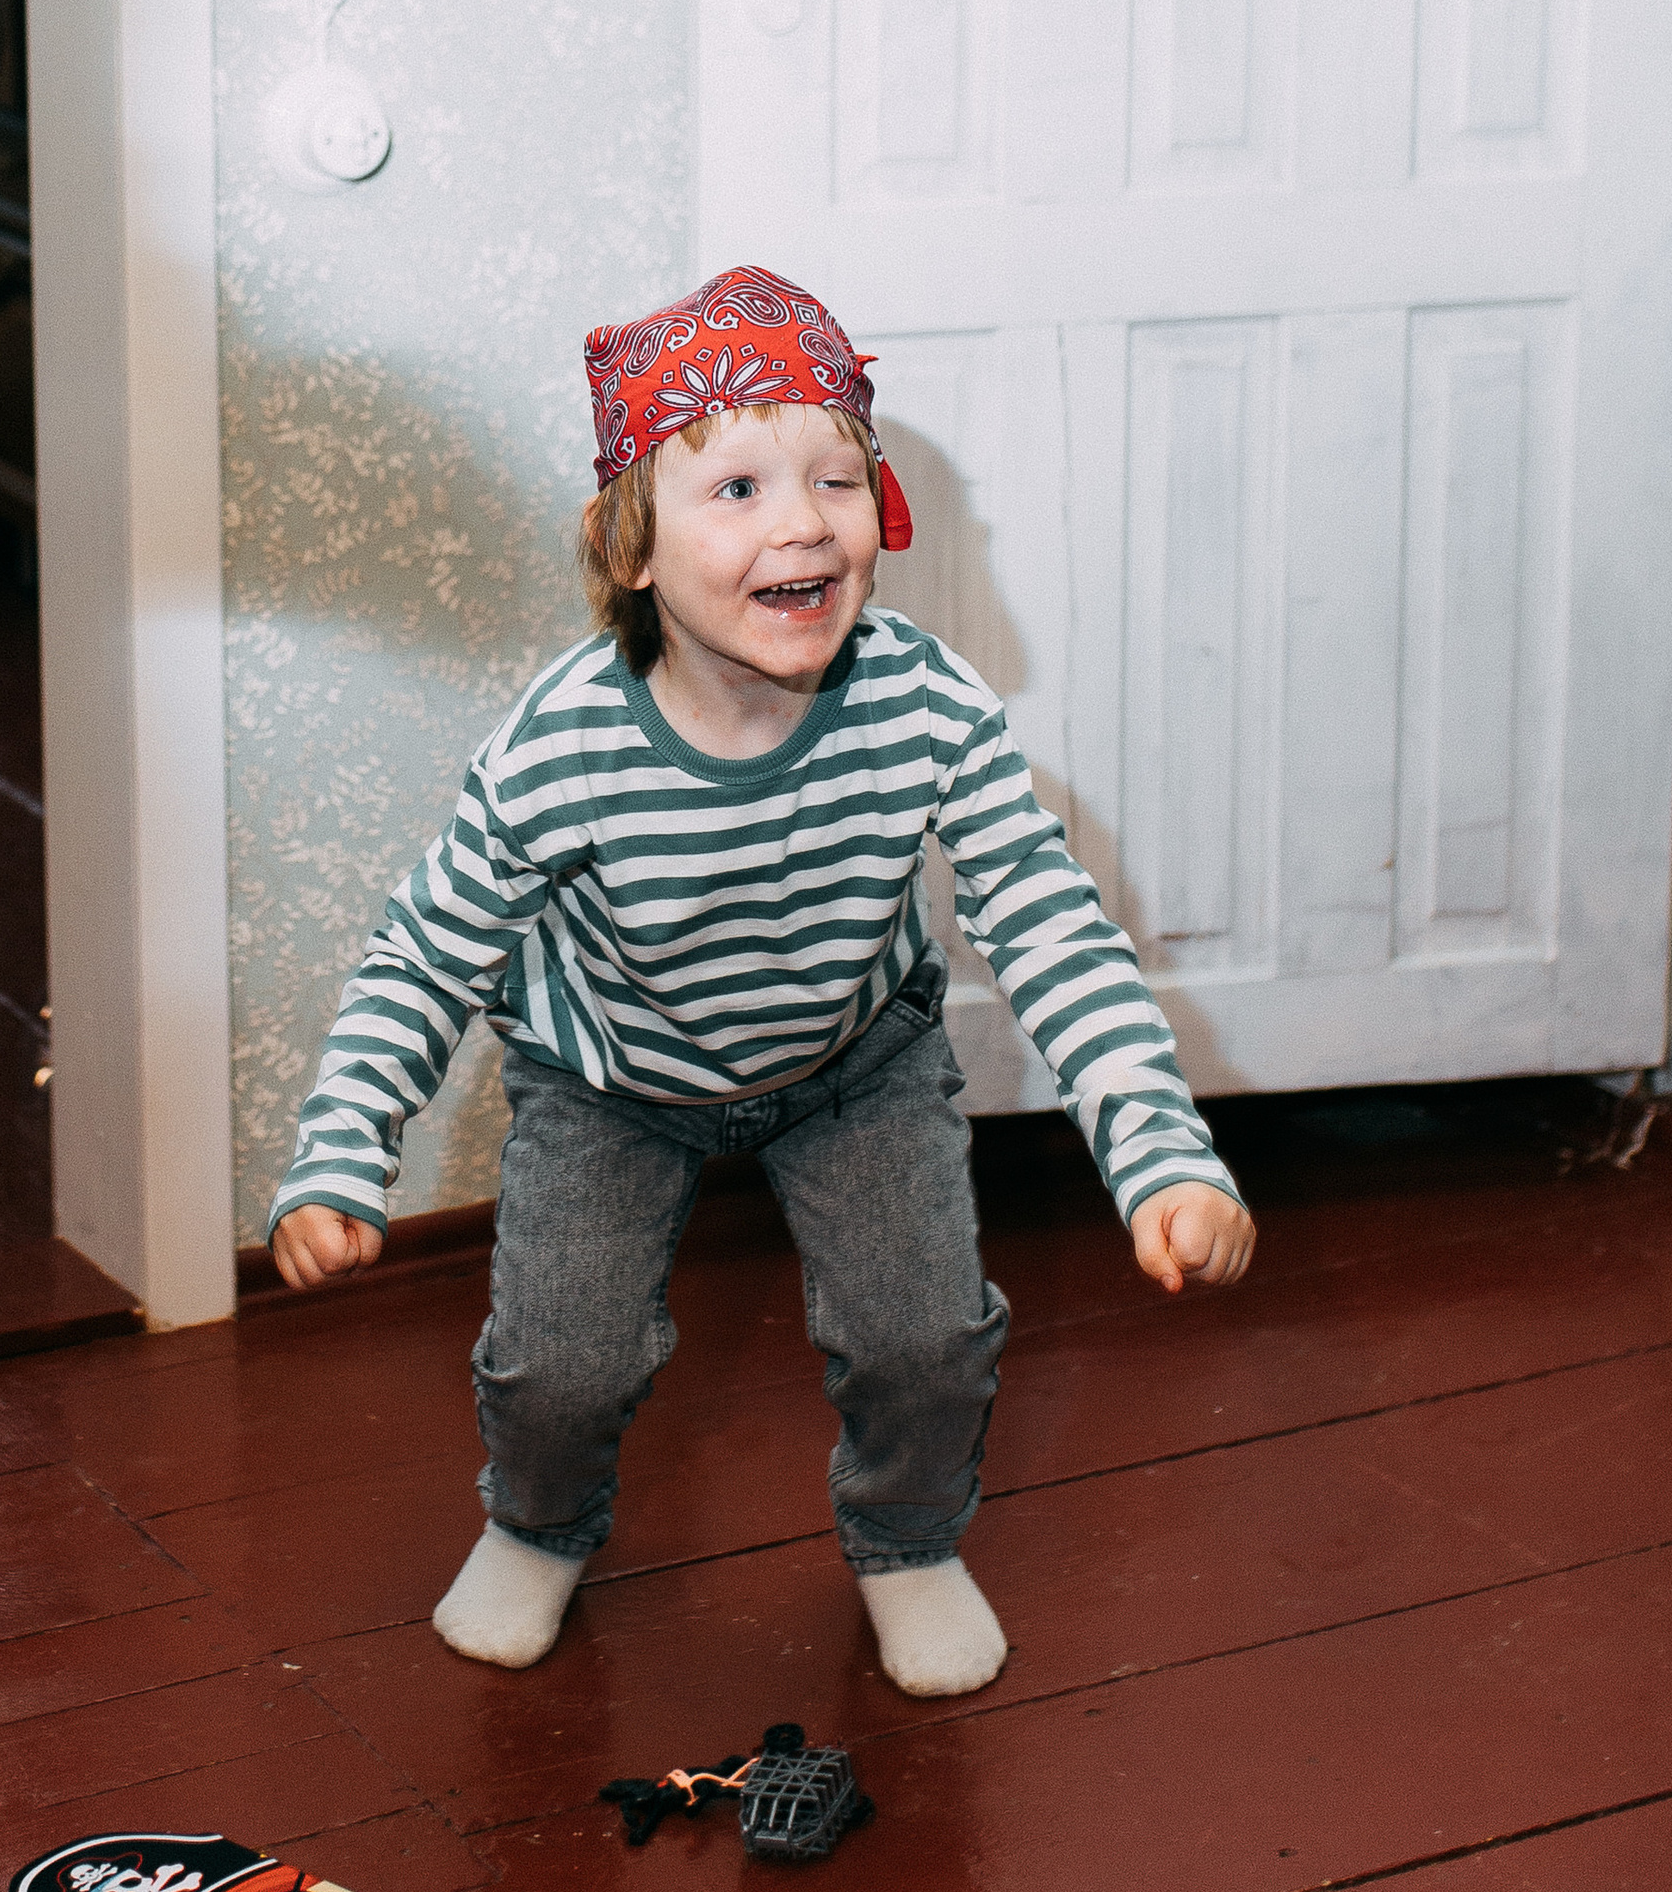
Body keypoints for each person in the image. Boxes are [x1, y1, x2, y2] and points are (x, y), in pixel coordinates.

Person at [267, 266, 1256, 1696]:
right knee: (562, 1363)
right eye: (735, 487)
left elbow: (1050, 923)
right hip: (610, 1082)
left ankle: (910, 1542)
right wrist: (338, 1159)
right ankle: (539, 1525)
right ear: (632, 550)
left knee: (924, 1337)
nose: (802, 520)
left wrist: (1163, 1157)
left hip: (855, 1068)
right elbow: (425, 952)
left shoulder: (924, 705)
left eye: (837, 481)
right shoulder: (560, 749)